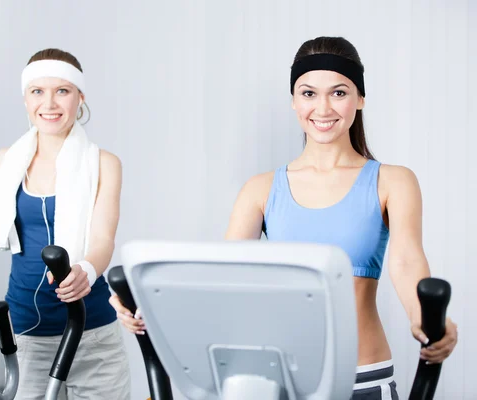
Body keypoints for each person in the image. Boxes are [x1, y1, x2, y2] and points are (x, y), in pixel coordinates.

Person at [109, 36, 458, 399]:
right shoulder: (260, 189)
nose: (323, 108)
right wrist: (148, 303)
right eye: (308, 93)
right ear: (294, 101)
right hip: (282, 381)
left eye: (339, 93)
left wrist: (427, 322)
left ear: (361, 98)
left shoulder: (393, 181)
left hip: (364, 377)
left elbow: (405, 262)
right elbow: (222, 281)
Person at [0, 48, 130, 399]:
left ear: (80, 98)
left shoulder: (105, 163)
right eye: (38, 91)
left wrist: (87, 271)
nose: (49, 103)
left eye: (62, 90)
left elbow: (103, 239)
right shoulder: (6, 162)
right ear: (25, 99)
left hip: (93, 336)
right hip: (28, 334)